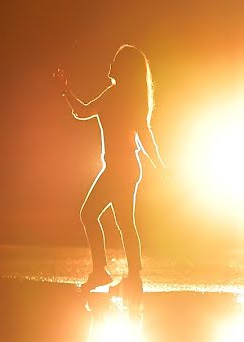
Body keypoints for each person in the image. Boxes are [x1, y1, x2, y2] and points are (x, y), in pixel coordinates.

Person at [53, 44, 166, 293]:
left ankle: (103, 273)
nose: (111, 64)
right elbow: (83, 112)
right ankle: (126, 276)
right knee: (123, 222)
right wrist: (66, 92)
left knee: (92, 215)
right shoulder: (119, 95)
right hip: (123, 166)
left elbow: (142, 134)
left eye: (116, 60)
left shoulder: (119, 95)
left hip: (120, 168)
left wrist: (159, 164)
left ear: (124, 68)